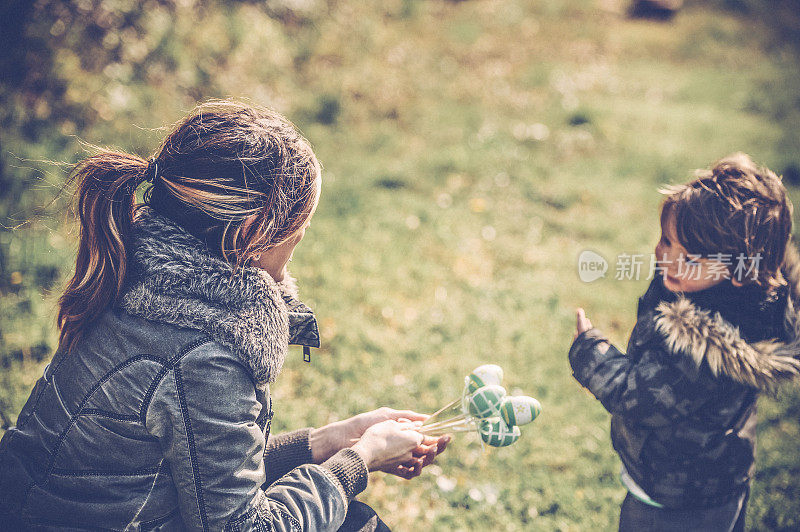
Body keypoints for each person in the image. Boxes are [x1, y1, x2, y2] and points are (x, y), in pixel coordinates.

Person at [0, 101, 449, 530]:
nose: (292, 259)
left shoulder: (131, 279)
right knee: (357, 525)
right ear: (253, 235)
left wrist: (326, 442)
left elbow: (195, 473)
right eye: (297, 237)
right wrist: (360, 460)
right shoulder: (202, 353)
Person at [569, 153, 800, 531]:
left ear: (740, 270)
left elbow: (637, 397)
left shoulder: (699, 349)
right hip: (719, 481)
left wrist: (591, 352)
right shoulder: (747, 304)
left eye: (689, 257)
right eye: (666, 240)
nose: (666, 258)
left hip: (675, 499)